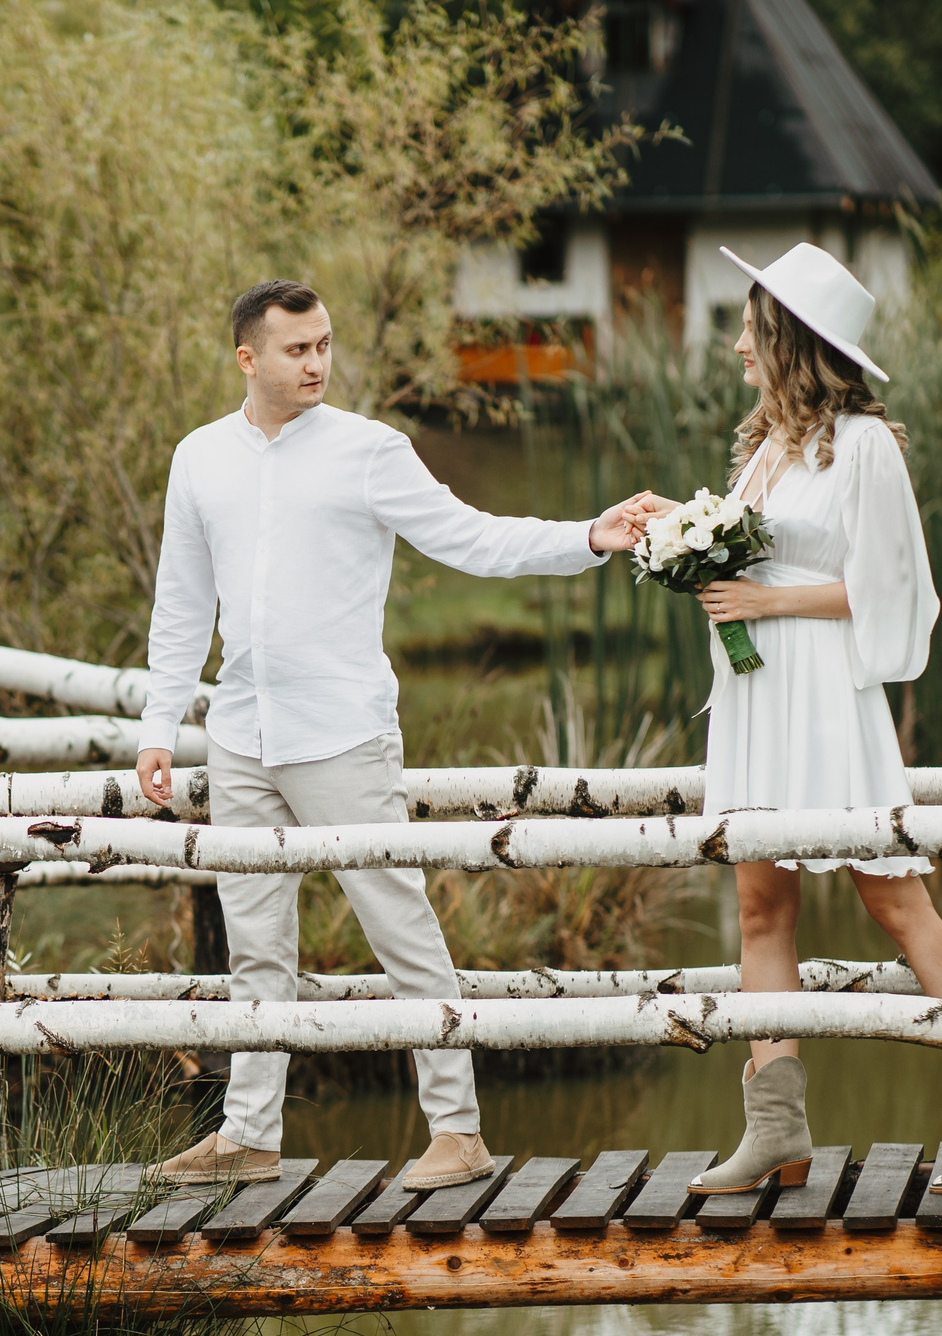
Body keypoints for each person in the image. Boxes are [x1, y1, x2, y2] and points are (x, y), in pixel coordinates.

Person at [135, 278, 651, 1189]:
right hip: (242, 733)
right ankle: (250, 1136)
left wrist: (590, 536)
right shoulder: (199, 458)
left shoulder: (370, 451)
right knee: (255, 946)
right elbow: (181, 601)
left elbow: (472, 538)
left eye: (325, 344)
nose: (317, 362)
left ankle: (459, 1132)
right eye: (297, 349)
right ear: (248, 359)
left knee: (400, 926)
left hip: (343, 733)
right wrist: (158, 724)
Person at [649, 243, 942, 1197]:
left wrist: (769, 608)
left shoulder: (866, 447)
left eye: (751, 330)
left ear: (792, 341)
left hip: (826, 699)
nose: (736, 348)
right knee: (760, 906)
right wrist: (673, 528)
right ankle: (777, 1132)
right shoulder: (766, 448)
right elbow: (757, 554)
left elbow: (892, 592)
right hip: (758, 699)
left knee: (893, 898)